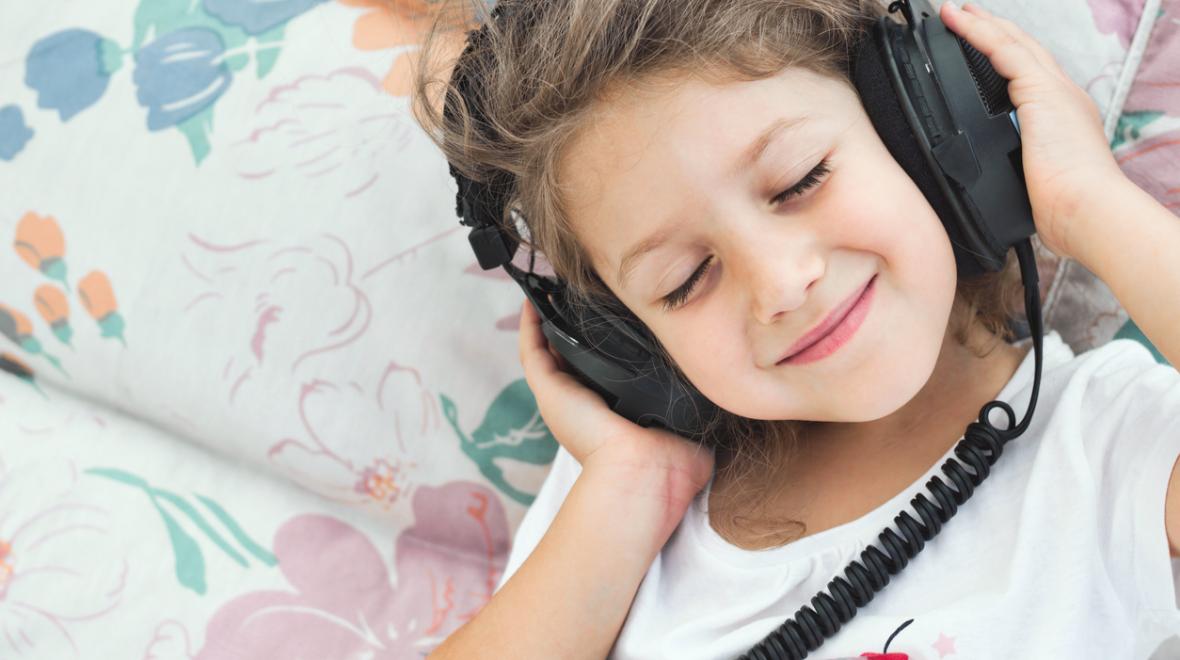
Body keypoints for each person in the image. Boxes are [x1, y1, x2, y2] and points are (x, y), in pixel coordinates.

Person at [412, 0, 1180, 657]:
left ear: (919, 126)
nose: (781, 285)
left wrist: (1087, 203)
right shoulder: (615, 502)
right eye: (684, 281)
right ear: (626, 342)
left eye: (801, 180)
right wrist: (628, 489)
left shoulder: (1103, 444)